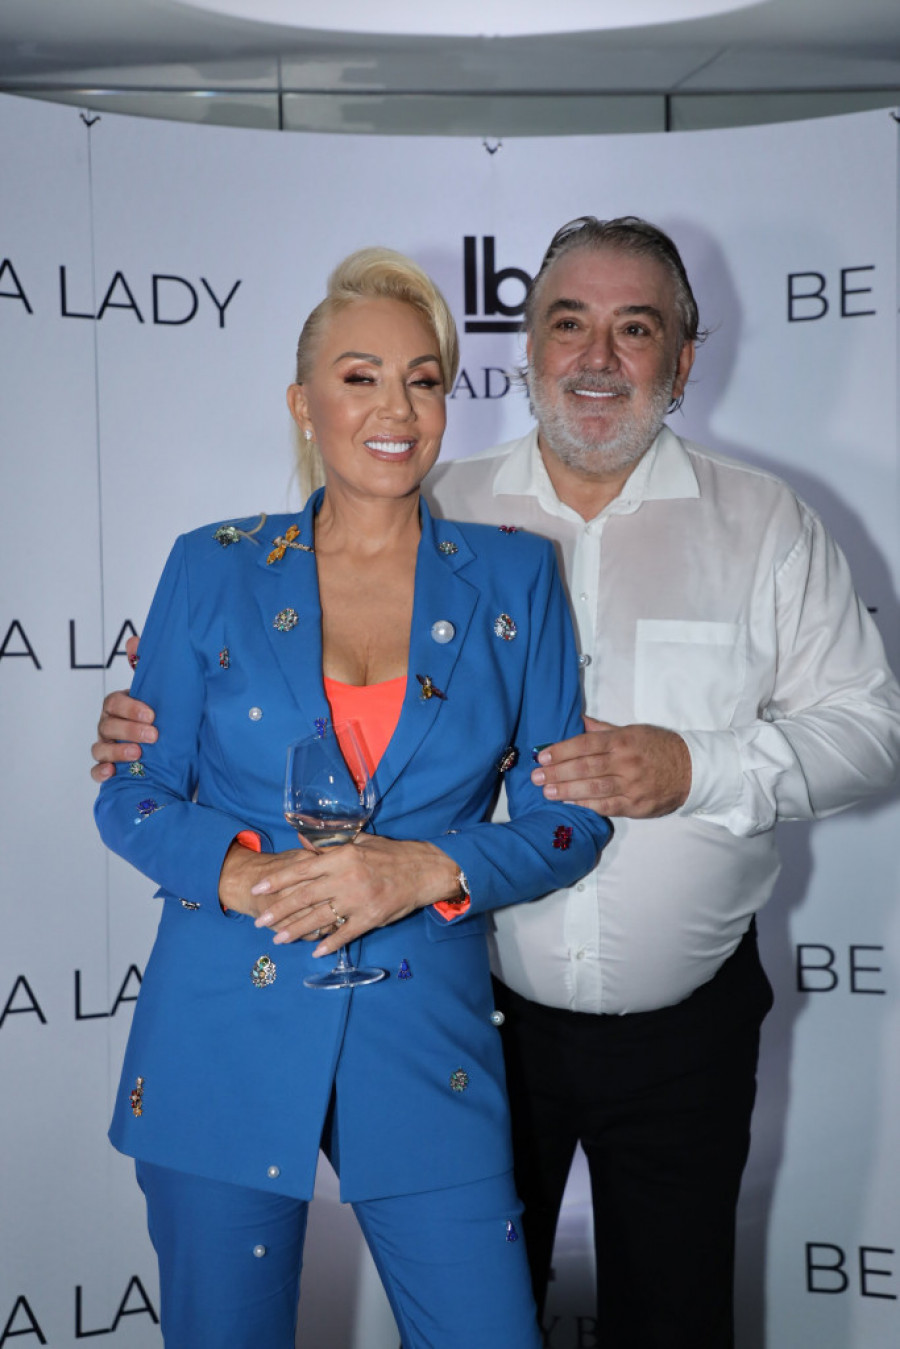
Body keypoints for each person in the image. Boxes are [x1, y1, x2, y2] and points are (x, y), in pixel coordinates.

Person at [93, 218, 900, 1349]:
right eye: (569, 321)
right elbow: (155, 769)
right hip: (426, 1009)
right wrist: (174, 784)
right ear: (526, 347)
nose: (597, 355)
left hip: (631, 1027)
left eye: (635, 328)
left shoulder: (729, 529)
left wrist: (687, 767)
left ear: (684, 359)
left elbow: (864, 731)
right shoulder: (337, 527)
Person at [92, 246, 611, 1349]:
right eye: (360, 376)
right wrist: (241, 874)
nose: (396, 409)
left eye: (423, 380)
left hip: (427, 1041)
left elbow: (570, 818)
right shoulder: (212, 565)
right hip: (220, 1031)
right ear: (303, 401)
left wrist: (429, 867)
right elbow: (131, 793)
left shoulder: (516, 575)